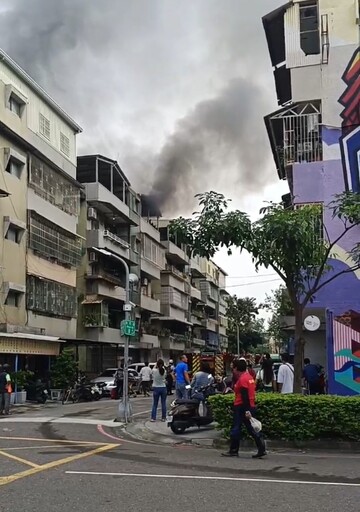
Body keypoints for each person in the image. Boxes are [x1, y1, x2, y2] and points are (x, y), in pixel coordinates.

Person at [222, 359, 266, 459]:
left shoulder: (242, 380)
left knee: (236, 428)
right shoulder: (249, 377)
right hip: (250, 405)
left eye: (233, 367)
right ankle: (261, 448)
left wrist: (247, 410)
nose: (232, 369)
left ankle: (233, 450)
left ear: (237, 368)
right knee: (251, 428)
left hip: (241, 406)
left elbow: (244, 396)